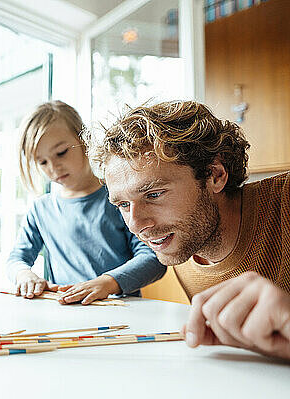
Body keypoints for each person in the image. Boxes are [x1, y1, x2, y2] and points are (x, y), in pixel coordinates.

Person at [92, 99, 290, 359]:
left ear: (215, 175)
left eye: (154, 194)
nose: (136, 224)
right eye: (123, 204)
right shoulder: (178, 240)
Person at [6, 101, 165, 305]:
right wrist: (24, 275)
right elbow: (16, 259)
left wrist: (107, 283)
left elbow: (153, 258)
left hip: (118, 312)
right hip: (65, 314)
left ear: (84, 141)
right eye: (42, 162)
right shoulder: (40, 209)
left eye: (61, 152)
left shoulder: (120, 199)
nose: (53, 167)